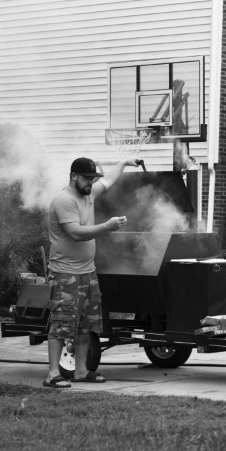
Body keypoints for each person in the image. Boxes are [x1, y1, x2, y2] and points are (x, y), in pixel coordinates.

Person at [43, 156, 141, 389]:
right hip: (66, 274)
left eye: (92, 179)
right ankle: (53, 374)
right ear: (74, 177)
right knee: (61, 324)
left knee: (86, 325)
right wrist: (107, 227)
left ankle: (80, 371)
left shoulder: (88, 194)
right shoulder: (64, 201)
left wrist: (124, 163)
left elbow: (108, 181)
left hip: (88, 272)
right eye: (87, 179)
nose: (91, 183)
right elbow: (76, 233)